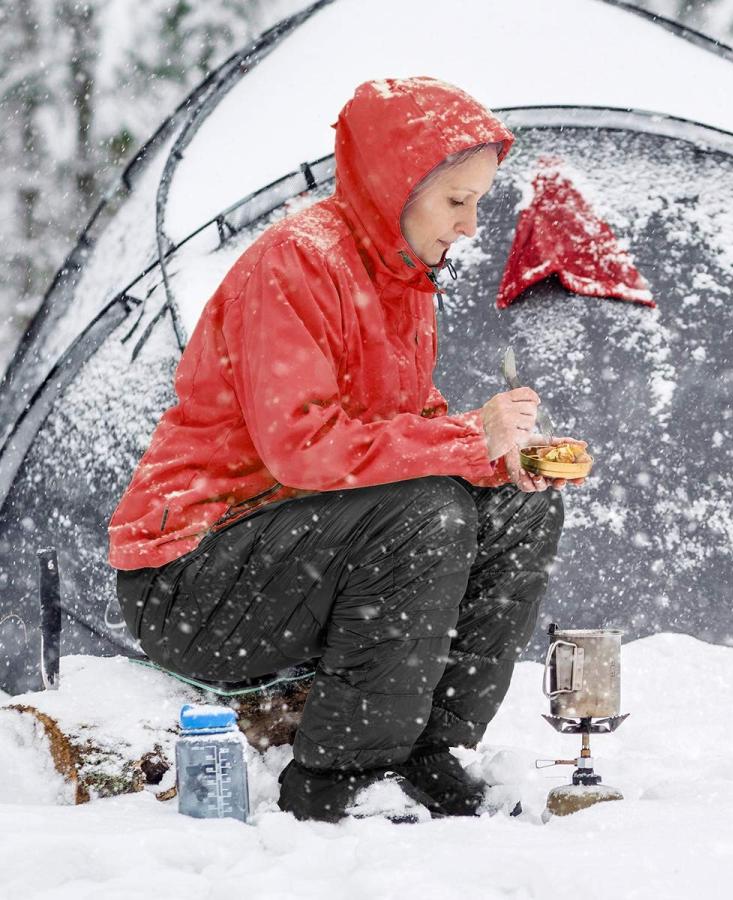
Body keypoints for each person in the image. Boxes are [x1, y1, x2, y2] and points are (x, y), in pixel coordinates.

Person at [109, 76, 583, 822]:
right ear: (396, 188)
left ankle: (428, 747)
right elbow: (304, 449)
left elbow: (404, 427)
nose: (469, 227)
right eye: (455, 201)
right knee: (427, 515)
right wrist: (463, 443)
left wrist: (493, 452)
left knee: (516, 508)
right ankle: (341, 775)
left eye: (478, 203)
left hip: (295, 554)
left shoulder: (401, 278)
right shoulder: (296, 264)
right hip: (192, 579)